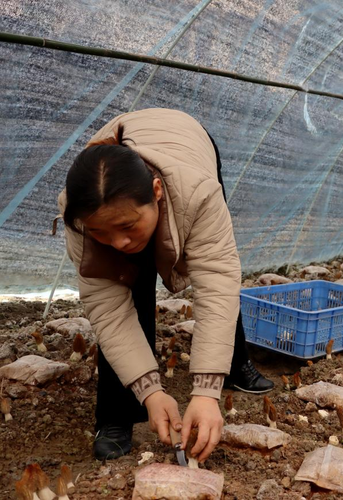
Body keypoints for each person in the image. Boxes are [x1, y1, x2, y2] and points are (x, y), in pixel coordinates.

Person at [58, 108, 274, 462]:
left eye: (128, 227)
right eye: (101, 232)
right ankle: (118, 414)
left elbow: (215, 282)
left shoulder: (199, 194)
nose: (118, 243)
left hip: (189, 144)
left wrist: (206, 392)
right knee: (129, 283)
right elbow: (108, 309)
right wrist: (150, 391)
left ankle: (235, 365)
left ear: (156, 191)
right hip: (123, 178)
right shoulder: (79, 211)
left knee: (216, 275)